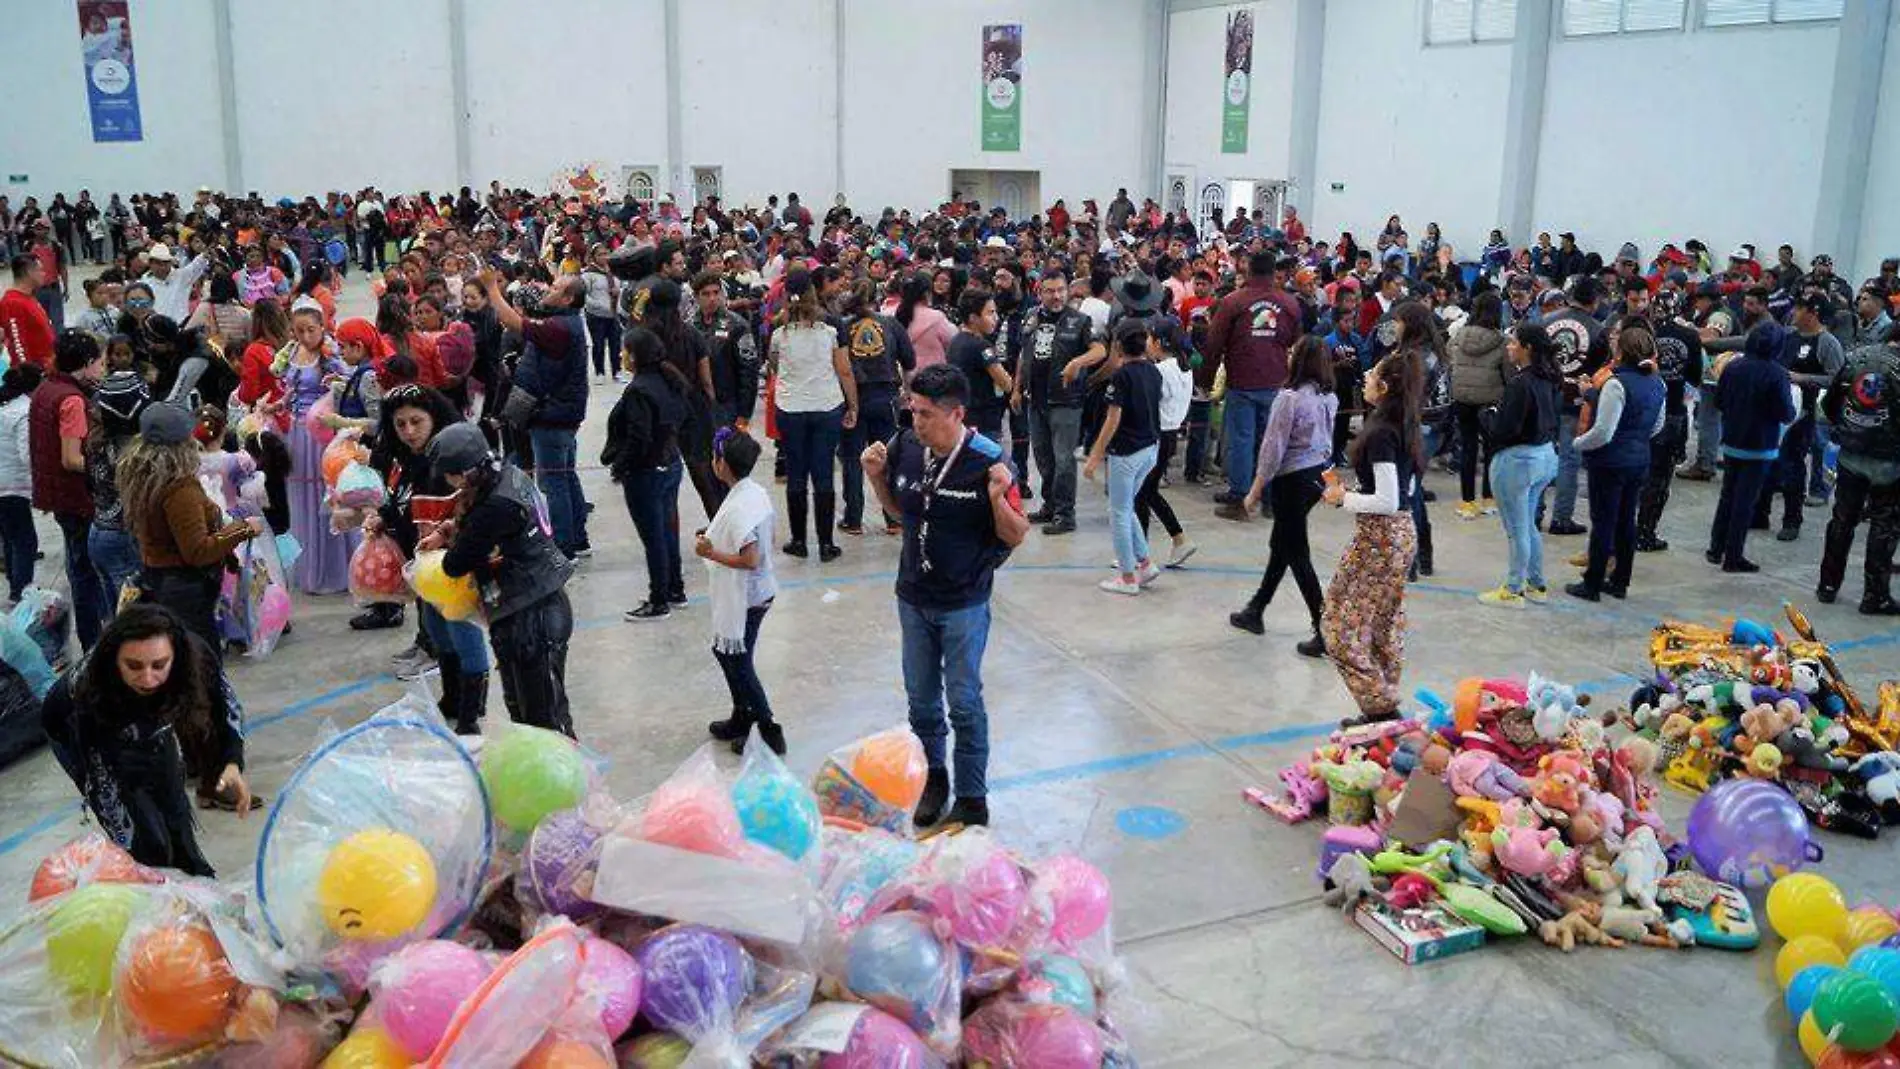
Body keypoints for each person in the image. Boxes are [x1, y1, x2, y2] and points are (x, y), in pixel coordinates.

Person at [862, 364, 1028, 829]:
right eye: (913, 411)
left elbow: (1017, 535)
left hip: (964, 603)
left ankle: (972, 795)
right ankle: (935, 776)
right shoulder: (906, 447)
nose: (917, 423)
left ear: (957, 414)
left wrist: (997, 500)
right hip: (913, 595)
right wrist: (877, 477)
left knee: (964, 701)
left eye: (927, 414)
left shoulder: (989, 459)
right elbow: (901, 511)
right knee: (921, 699)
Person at [41, 604, 250, 874]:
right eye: (134, 666)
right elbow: (108, 797)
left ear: (176, 656)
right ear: (115, 659)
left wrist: (231, 762)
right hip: (81, 729)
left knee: (177, 818)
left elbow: (226, 708)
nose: (148, 678)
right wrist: (144, 868)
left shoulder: (195, 654)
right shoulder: (91, 691)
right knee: (147, 841)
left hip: (148, 722)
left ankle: (198, 884)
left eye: (159, 665)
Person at [423, 423, 577, 737]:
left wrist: (456, 538)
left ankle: (567, 782)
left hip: (531, 617)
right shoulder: (509, 476)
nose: (449, 482)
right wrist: (453, 530)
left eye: (451, 475)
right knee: (526, 714)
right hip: (536, 602)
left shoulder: (494, 506)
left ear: (464, 472)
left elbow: (456, 563)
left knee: (544, 720)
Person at [365, 386, 492, 733]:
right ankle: (452, 697)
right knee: (436, 629)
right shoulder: (401, 463)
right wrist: (383, 518)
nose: (409, 431)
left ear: (435, 419)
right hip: (425, 568)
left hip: (454, 566)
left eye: (417, 422)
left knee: (461, 630)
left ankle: (470, 713)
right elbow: (402, 504)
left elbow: (475, 514)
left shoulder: (454, 462)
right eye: (400, 424)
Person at [1320, 350, 1423, 727]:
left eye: (1373, 373)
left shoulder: (1381, 431)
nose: (1365, 376)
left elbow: (1387, 498)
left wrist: (1342, 498)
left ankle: (1380, 706)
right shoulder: (1403, 422)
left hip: (1381, 537)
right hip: (1398, 533)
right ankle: (1382, 702)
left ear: (1385, 385)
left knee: (1339, 623)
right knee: (1382, 623)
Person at [119, 403, 262, 650]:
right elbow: (197, 551)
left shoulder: (143, 476)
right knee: (200, 662)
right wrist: (243, 529)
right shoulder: (178, 488)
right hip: (184, 589)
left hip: (158, 578)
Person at [1229, 336, 1337, 651]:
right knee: (1282, 544)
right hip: (1315, 476)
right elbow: (1328, 442)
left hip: (1292, 479)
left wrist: (1255, 490)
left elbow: (1272, 448)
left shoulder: (1289, 398)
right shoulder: (1328, 397)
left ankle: (1324, 627)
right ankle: (1256, 609)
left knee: (1297, 553)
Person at [483, 269, 591, 558]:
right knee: (565, 477)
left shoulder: (559, 328)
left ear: (568, 299)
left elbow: (512, 321)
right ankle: (578, 538)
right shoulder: (567, 323)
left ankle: (563, 548)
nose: (548, 290)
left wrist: (491, 288)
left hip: (552, 417)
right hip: (562, 414)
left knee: (553, 481)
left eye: (555, 288)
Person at [697, 430, 783, 754]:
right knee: (726, 652)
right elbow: (766, 539)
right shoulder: (753, 492)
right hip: (759, 590)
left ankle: (769, 727)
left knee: (739, 660)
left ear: (722, 464)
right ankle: (741, 714)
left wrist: (710, 553)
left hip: (750, 597)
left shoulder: (738, 509)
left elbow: (750, 558)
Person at [1566, 323, 1666, 601]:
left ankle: (1593, 582)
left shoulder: (1616, 383)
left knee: (1603, 522)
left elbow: (1603, 431)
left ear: (1620, 351)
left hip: (1609, 462)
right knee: (1626, 522)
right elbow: (1657, 425)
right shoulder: (1657, 383)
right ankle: (1620, 580)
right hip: (1638, 459)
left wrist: (1578, 444)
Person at [1204, 252, 1301, 519]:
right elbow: (1297, 342)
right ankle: (1270, 500)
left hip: (1243, 381)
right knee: (1271, 442)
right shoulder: (1289, 303)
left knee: (1241, 441)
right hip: (1276, 382)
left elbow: (1214, 345)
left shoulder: (1233, 302)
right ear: (1273, 273)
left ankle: (1240, 499)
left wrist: (1205, 379)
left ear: (1248, 271)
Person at [31, 330, 110, 649]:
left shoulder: (46, 388)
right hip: (77, 497)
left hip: (56, 495)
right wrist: (107, 469)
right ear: (87, 362)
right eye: (100, 363)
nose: (102, 369)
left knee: (77, 565)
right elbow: (71, 457)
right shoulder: (72, 399)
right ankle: (95, 640)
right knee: (86, 573)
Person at [606, 327, 691, 622]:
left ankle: (658, 600)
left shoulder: (639, 390)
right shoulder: (669, 380)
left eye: (624, 350)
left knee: (653, 537)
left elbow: (638, 437)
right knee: (668, 531)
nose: (621, 355)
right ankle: (675, 589)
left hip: (646, 473)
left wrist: (620, 466)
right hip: (671, 464)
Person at [770, 272, 856, 560]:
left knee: (796, 474)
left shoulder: (778, 332)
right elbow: (844, 369)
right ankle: (827, 543)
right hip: (826, 406)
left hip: (790, 408)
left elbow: (772, 366)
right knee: (823, 474)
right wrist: (852, 404)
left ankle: (798, 540)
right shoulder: (832, 327)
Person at [1478, 323, 1565, 608]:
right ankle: (1536, 583)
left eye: (1514, 342)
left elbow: (1504, 429)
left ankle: (1513, 588)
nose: (1509, 347)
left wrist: (1487, 416)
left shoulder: (1520, 383)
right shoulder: (1550, 377)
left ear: (1527, 348)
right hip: (1545, 456)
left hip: (1517, 460)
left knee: (1517, 529)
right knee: (1528, 525)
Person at [1818, 331, 1900, 614]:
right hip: (1889, 459)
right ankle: (1874, 595)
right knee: (1883, 524)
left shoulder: (1856, 357)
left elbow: (1829, 404)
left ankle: (1827, 585)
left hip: (1851, 453)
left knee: (1842, 519)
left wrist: (1847, 427)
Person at [278, 307, 357, 594]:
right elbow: (289, 390)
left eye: (311, 329)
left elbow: (345, 390)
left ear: (322, 327)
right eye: (299, 330)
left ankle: (337, 567)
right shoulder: (291, 353)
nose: (306, 335)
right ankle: (311, 566)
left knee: (328, 495)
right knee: (302, 498)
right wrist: (279, 405)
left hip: (322, 435)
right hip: (296, 434)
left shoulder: (331, 355)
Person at [1707, 324, 1797, 573]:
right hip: (1760, 445)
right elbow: (1786, 413)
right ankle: (1733, 556)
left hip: (1733, 440)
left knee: (1727, 496)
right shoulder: (1777, 373)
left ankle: (1716, 547)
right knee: (1744, 503)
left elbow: (1719, 401)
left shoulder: (1733, 367)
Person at [1014, 271, 1098, 537]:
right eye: (1050, 291)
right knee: (1043, 457)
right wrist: (1017, 388)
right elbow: (1023, 355)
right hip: (1035, 400)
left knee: (1064, 460)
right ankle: (1049, 506)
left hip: (1065, 402)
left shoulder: (1080, 321)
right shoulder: (1031, 318)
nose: (1056, 296)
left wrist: (1077, 362)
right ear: (1041, 292)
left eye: (1061, 290)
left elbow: (1100, 350)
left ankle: (1066, 514)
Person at [1085, 320, 1166, 596]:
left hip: (1126, 452)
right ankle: (1144, 562)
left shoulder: (1120, 377)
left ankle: (1128, 577)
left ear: (1117, 347)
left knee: (1117, 512)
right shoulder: (1154, 373)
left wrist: (1095, 455)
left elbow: (1112, 418)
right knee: (1126, 506)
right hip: (1150, 449)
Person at [1757, 292, 1845, 541]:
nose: (1793, 312)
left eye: (1798, 308)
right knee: (1768, 464)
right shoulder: (1786, 336)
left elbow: (1837, 379)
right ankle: (1760, 513)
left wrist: (1803, 378)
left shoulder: (1827, 343)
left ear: (1812, 313)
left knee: (1792, 467)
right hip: (1777, 411)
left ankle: (1792, 520)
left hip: (1804, 414)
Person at [837, 280, 914, 536]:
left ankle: (853, 519)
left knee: (852, 459)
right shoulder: (891, 324)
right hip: (887, 397)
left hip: (853, 399)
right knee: (889, 458)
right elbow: (910, 361)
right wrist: (906, 392)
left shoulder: (843, 327)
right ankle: (894, 518)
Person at [1637, 289, 1705, 552]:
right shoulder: (1689, 336)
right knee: (1661, 476)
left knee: (1640, 471)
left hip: (1646, 407)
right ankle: (1646, 531)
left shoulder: (1646, 333)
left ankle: (1633, 527)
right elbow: (1696, 376)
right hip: (1674, 409)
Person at [1539, 278, 1608, 536]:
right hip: (1574, 400)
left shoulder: (1545, 321)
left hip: (1546, 395)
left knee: (1542, 454)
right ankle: (1561, 518)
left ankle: (1535, 514)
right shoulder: (1598, 330)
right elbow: (1602, 370)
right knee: (1569, 460)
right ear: (1595, 301)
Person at [86, 370, 151, 611]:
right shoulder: (130, 451)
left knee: (115, 610)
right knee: (132, 617)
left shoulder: (97, 440)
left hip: (99, 530)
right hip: (122, 535)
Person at [1449, 292, 1508, 518]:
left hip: (1462, 399)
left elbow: (1450, 359)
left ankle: (1467, 502)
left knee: (1468, 448)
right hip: (1490, 401)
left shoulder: (1459, 335)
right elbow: (1508, 373)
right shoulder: (1501, 341)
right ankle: (1489, 499)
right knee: (1491, 449)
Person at [946, 288, 1012, 441]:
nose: (996, 318)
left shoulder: (955, 341)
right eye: (990, 313)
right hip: (984, 422)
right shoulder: (981, 346)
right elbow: (1006, 383)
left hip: (963, 416)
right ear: (973, 318)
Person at [0, 364, 41, 602]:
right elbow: (27, 455)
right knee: (25, 540)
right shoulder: (24, 412)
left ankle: (15, 583)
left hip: (3, 485)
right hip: (12, 486)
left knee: (10, 536)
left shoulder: (6, 407)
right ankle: (21, 590)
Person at [2, 254, 57, 370]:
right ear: (29, 272)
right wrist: (27, 375)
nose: (44, 274)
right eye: (40, 270)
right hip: (35, 375)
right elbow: (18, 345)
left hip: (47, 368)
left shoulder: (29, 297)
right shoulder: (12, 303)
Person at [896, 273, 956, 370]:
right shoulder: (937, 317)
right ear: (927, 294)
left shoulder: (900, 314)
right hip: (935, 374)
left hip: (908, 372)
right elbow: (951, 342)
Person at [580, 244, 622, 382]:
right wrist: (598, 306)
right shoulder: (588, 274)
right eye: (600, 254)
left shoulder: (613, 272)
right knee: (598, 344)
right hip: (596, 315)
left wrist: (618, 293)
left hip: (613, 313)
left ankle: (616, 370)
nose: (604, 257)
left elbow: (620, 287)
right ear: (593, 257)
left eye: (606, 254)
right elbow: (584, 295)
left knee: (615, 343)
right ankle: (599, 371)